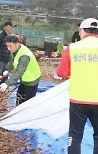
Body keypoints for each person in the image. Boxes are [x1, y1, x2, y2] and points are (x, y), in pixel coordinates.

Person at [56, 18, 98, 154]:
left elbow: (61, 72)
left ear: (82, 31)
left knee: (75, 136)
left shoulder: (72, 48)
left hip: (78, 100)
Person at [0, 34, 41, 105]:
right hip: (24, 79)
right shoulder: (15, 50)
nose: (8, 48)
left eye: (10, 46)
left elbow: (19, 72)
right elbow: (12, 60)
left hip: (31, 80)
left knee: (27, 102)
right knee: (19, 97)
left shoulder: (24, 55)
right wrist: (7, 69)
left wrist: (7, 84)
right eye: (7, 46)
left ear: (17, 44)